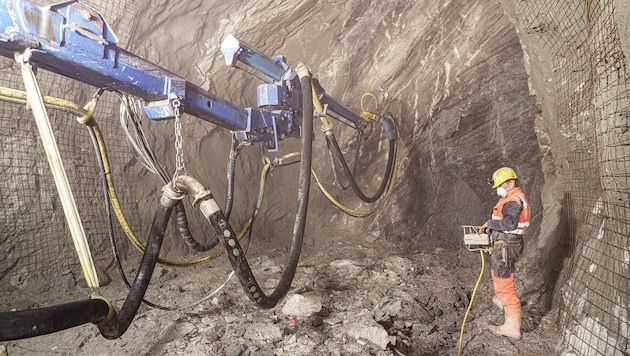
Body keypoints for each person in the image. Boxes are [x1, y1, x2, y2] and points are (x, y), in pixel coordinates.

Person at [478, 167, 531, 341]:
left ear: (509, 183)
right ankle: (504, 301)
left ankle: (512, 327)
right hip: (506, 244)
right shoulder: (512, 198)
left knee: (504, 280)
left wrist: (492, 225)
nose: (497, 190)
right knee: (498, 273)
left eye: (499, 186)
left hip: (507, 245)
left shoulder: (512, 201)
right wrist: (490, 223)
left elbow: (509, 224)